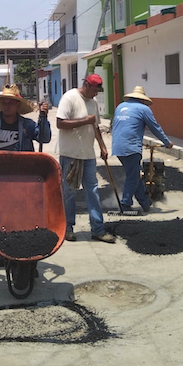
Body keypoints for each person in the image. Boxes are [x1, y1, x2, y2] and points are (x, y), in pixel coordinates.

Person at [0, 85, 51, 267]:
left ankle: (27, 253)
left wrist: (44, 118)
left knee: (24, 215)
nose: (7, 106)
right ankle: (4, 250)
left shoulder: (27, 125)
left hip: (22, 179)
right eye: (4, 102)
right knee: (0, 217)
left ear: (17, 105)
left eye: (11, 103)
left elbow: (44, 138)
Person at [56, 74, 115, 243]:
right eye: (94, 90)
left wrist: (102, 146)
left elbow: (94, 126)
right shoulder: (70, 98)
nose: (96, 94)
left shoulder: (93, 102)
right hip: (71, 155)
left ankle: (98, 229)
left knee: (93, 191)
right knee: (69, 192)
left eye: (98, 91)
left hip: (88, 155)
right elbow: (60, 123)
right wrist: (84, 121)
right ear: (87, 85)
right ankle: (67, 228)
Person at [111, 86, 173, 212]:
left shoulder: (120, 106)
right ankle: (125, 204)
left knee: (134, 174)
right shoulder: (144, 109)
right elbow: (155, 127)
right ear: (143, 100)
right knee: (132, 177)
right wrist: (167, 142)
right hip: (131, 146)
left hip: (117, 146)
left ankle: (145, 202)